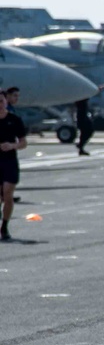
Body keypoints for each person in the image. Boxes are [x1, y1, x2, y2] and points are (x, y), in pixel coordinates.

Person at [0, 89, 27, 241]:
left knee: (8, 193)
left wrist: (12, 145)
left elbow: (23, 142)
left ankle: (4, 226)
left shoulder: (14, 119)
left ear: (6, 102)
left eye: (1, 101)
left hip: (9, 160)